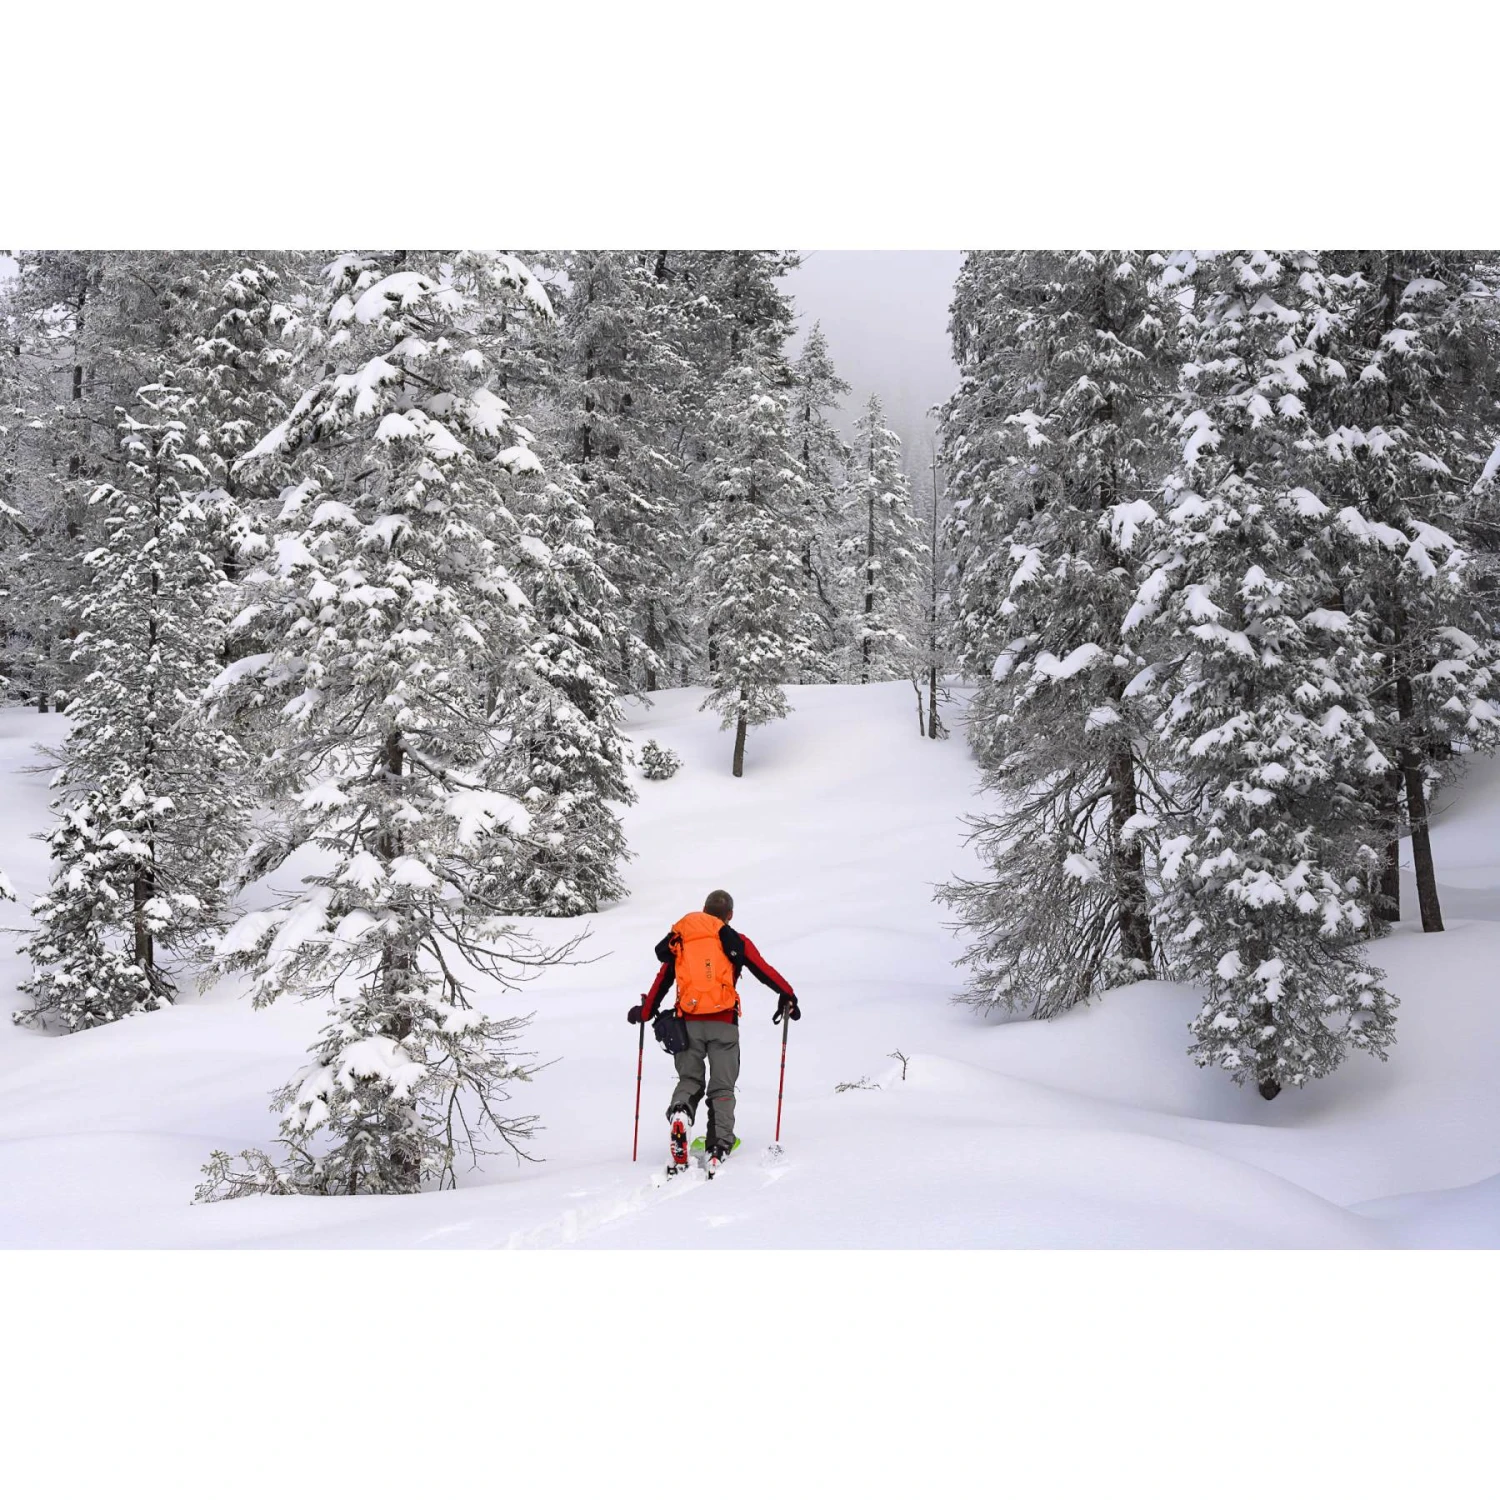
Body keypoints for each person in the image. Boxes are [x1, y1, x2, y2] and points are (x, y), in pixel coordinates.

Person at [627, 889, 799, 1175]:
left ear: (704, 910)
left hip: (687, 1025)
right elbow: (763, 970)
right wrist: (788, 995)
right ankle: (718, 1145)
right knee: (722, 1087)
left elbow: (663, 980)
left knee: (690, 1079)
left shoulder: (681, 939)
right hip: (724, 1024)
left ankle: (681, 1112)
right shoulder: (735, 940)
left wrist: (645, 1012)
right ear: (729, 915)